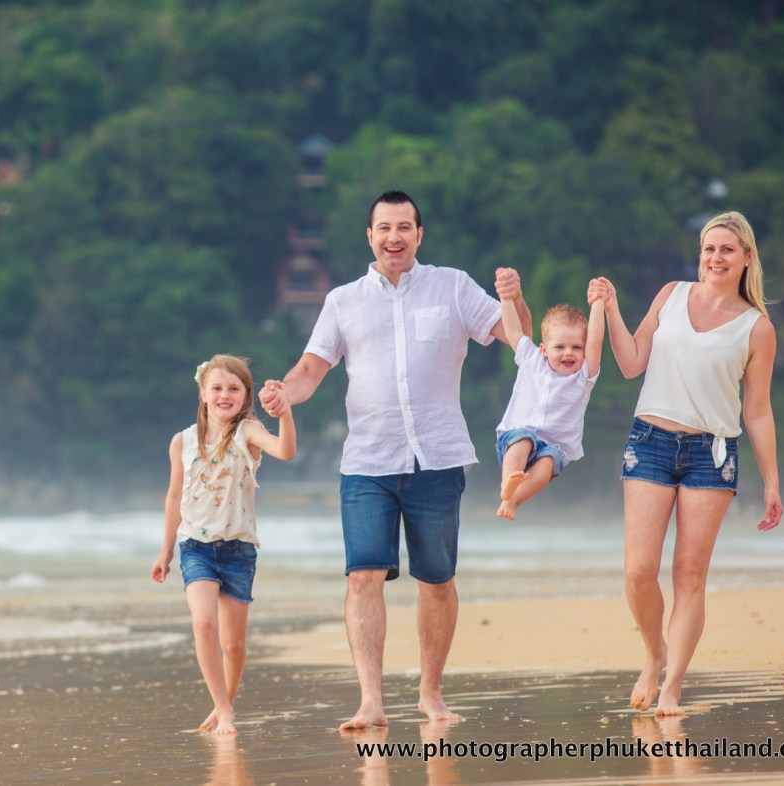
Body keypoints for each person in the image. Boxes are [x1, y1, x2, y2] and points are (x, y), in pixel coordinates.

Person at [258, 190, 530, 730]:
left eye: (404, 227)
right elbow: (311, 369)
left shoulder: (452, 286)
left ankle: (431, 693)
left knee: (436, 580)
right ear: (369, 236)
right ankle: (371, 701)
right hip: (367, 460)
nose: (394, 237)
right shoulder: (343, 300)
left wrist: (515, 298)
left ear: (419, 235)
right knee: (363, 577)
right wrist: (284, 393)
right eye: (384, 227)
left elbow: (512, 335)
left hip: (438, 455)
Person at [589, 210, 782, 717]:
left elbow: (757, 411)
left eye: (726, 250)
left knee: (689, 574)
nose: (715, 258)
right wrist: (609, 308)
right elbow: (632, 362)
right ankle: (654, 653)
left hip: (711, 455)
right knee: (638, 570)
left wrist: (772, 482)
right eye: (708, 248)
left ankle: (672, 685)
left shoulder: (757, 328)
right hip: (649, 440)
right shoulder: (671, 295)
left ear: (746, 258)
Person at [151, 354, 296, 735]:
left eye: (234, 388)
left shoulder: (248, 433)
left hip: (238, 551)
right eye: (216, 388)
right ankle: (225, 711)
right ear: (202, 393)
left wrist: (284, 412)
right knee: (202, 624)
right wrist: (166, 551)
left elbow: (286, 451)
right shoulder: (181, 442)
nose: (224, 395)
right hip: (195, 547)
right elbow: (173, 497)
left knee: (233, 645)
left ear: (245, 395)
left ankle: (224, 706)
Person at [494, 283, 605, 520]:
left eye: (577, 347)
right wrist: (506, 299)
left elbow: (595, 341)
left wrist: (598, 304)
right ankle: (507, 486)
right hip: (517, 436)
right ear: (544, 349)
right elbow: (513, 330)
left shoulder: (583, 377)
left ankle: (514, 500)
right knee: (523, 439)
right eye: (560, 347)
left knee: (547, 466)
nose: (569, 353)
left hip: (552, 447)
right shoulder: (532, 359)